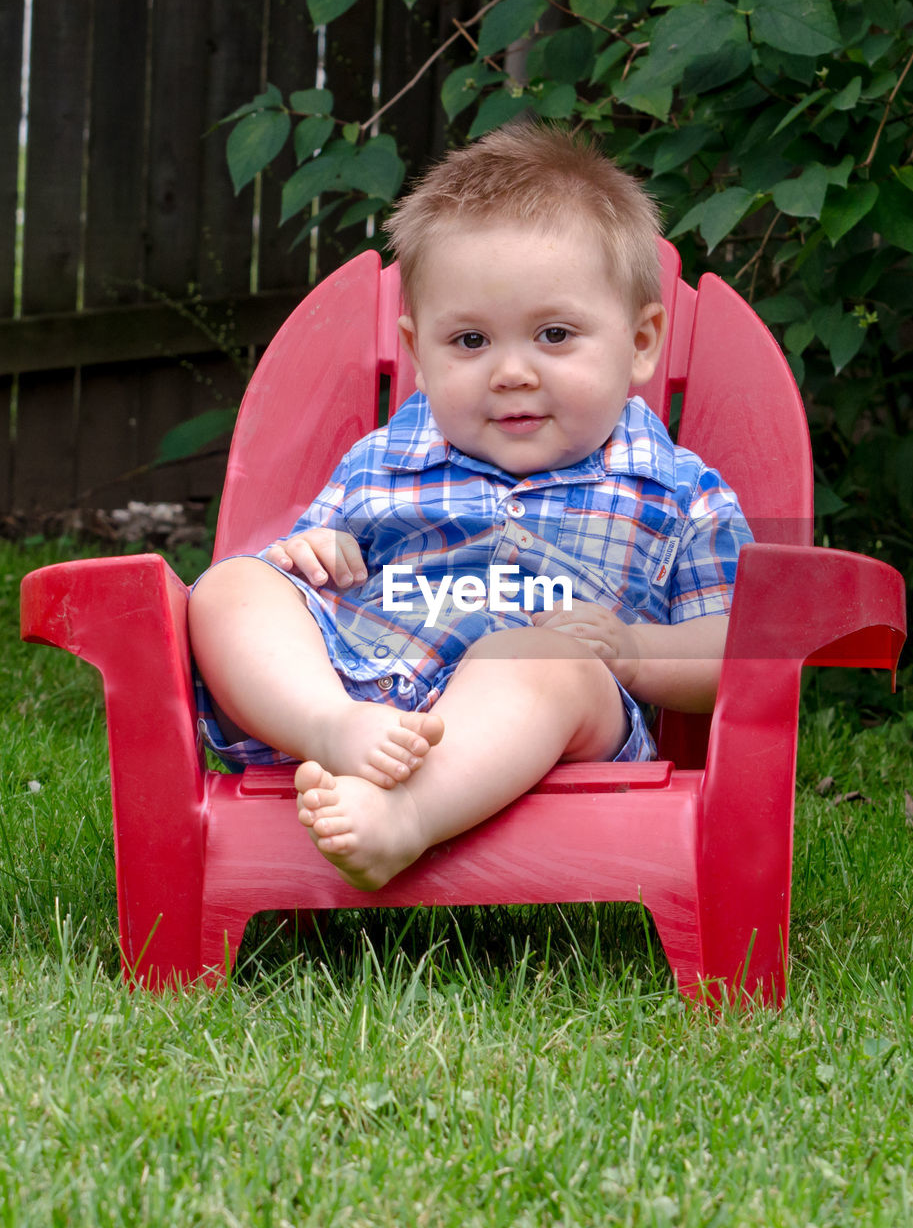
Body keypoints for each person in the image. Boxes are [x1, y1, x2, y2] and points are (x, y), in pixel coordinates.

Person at [188, 123, 752, 891]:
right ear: (418, 354)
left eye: (554, 335)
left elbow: (741, 648)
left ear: (643, 341)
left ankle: (405, 819)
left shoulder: (684, 494)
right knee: (229, 586)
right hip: (363, 686)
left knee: (538, 659)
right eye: (470, 341)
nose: (511, 371)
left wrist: (630, 649)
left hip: (541, 711)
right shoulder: (384, 460)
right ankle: (332, 730)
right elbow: (310, 574)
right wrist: (308, 556)